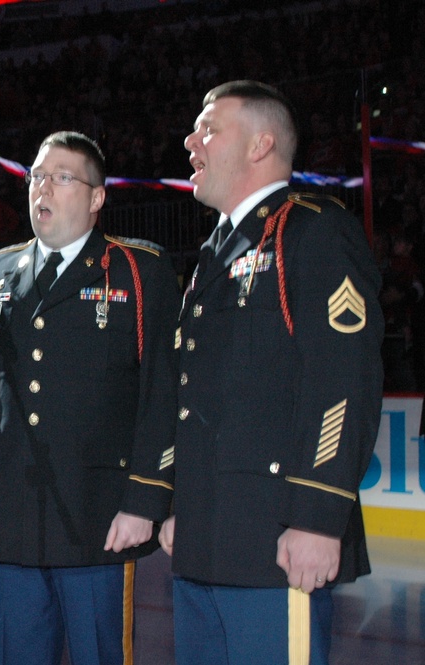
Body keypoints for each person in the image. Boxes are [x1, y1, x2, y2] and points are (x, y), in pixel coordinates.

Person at [160, 80, 384, 665]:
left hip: (277, 546)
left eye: (208, 127)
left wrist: (317, 516)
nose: (191, 140)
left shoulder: (311, 231)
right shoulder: (213, 254)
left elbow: (343, 380)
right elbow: (205, 401)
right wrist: (185, 508)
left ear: (261, 144)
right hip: (205, 544)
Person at [0, 131, 180, 665]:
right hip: (14, 518)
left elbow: (162, 393)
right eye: (36, 176)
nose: (42, 189)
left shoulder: (138, 271)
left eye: (61, 177)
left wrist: (145, 499)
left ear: (97, 197)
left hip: (100, 520)